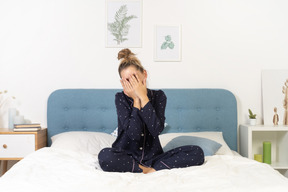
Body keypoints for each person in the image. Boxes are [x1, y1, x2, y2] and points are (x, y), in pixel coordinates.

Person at [98, 48, 204, 174]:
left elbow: (156, 129)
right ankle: (144, 170)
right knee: (105, 155)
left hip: (154, 158)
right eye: (127, 81)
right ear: (122, 82)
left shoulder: (159, 96)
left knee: (197, 152)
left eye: (134, 79)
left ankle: (152, 168)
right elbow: (134, 134)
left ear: (144, 74)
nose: (132, 85)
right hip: (125, 157)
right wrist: (136, 101)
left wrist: (144, 97)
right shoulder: (120, 98)